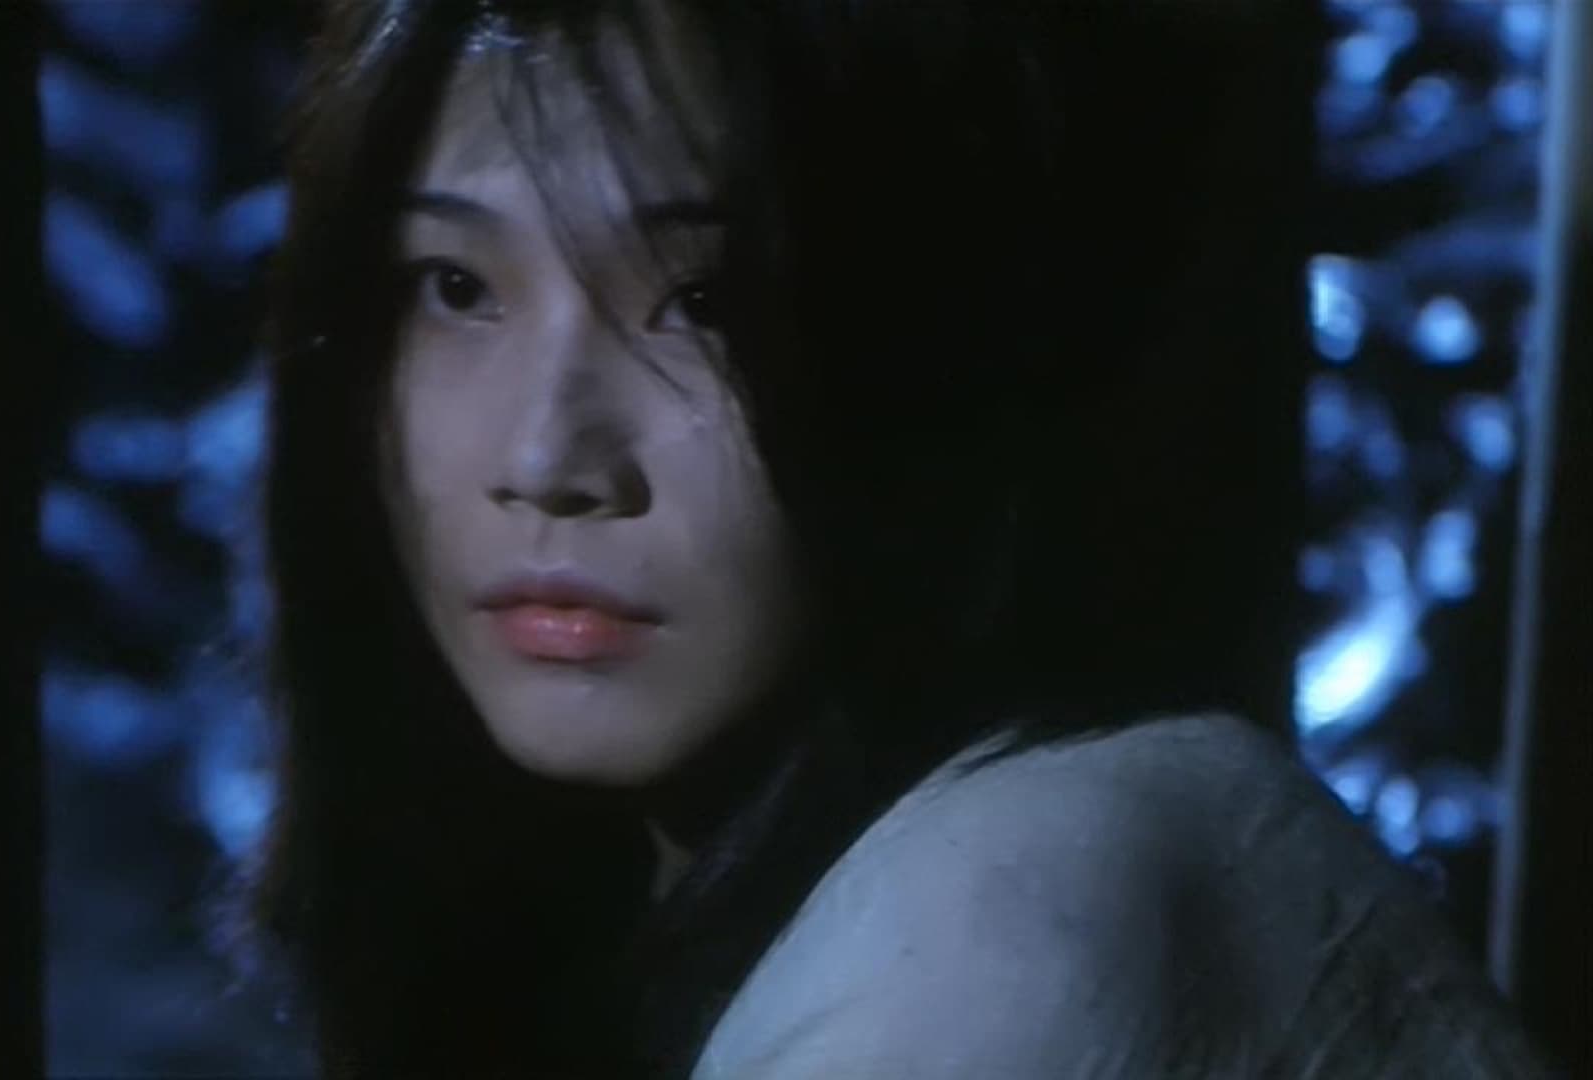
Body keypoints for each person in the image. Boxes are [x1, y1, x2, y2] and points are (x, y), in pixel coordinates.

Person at [244, 0, 1556, 1075]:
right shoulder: (614, 908)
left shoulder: (1029, 892)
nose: (546, 461)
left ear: (928, 347)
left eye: (705, 302)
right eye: (455, 289)